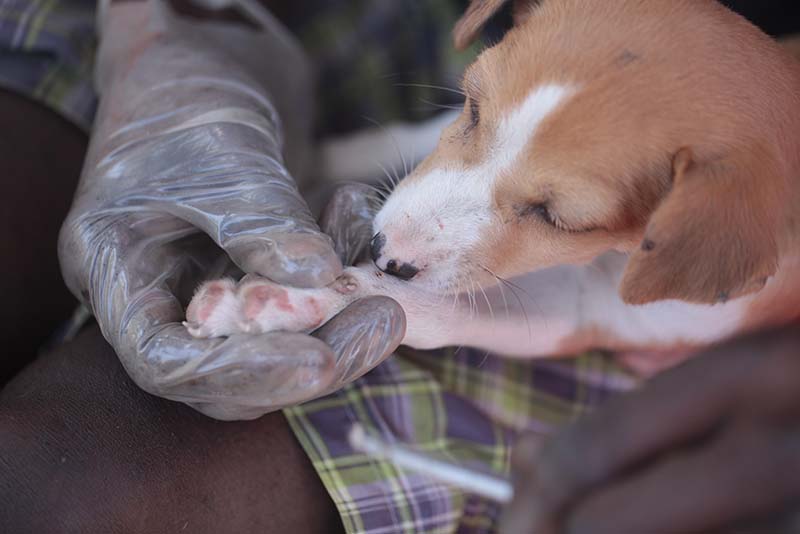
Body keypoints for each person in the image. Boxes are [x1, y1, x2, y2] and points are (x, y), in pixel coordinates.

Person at [0, 1, 797, 533]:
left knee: (62, 481)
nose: (403, 232)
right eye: (474, 109)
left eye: (551, 213)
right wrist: (155, 31)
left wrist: (375, 296)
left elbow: (596, 314)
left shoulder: (730, 225)